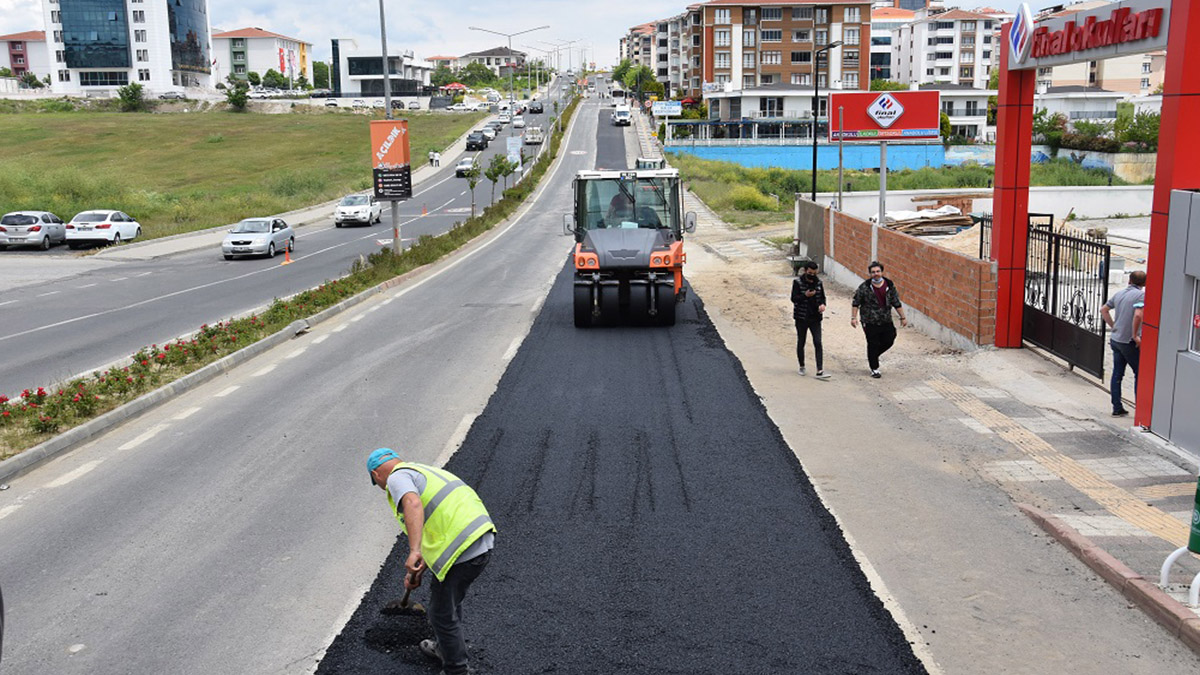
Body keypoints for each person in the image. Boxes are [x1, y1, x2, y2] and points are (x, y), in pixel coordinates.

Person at [368, 448, 496, 675]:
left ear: (377, 475)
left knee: (440, 612)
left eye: (376, 482)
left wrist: (414, 550)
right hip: (478, 539)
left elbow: (413, 504)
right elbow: (435, 528)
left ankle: (457, 670)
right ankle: (444, 648)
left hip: (462, 546)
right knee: (449, 602)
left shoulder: (397, 477)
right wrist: (417, 571)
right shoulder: (421, 471)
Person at [850, 261, 908, 378]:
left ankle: (873, 356)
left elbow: (896, 302)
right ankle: (874, 368)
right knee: (872, 343)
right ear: (870, 274)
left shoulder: (889, 286)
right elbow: (856, 302)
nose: (876, 274)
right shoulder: (864, 287)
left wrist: (903, 317)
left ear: (882, 272)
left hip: (886, 319)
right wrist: (853, 318)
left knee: (889, 339)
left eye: (878, 271)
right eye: (873, 272)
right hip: (869, 320)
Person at [1101, 270, 1146, 417]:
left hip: (1116, 339)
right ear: (1144, 283)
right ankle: (1141, 409)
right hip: (1129, 342)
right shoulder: (1141, 295)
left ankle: (1117, 407)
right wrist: (1134, 335)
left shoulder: (1119, 293)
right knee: (1140, 373)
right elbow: (1138, 314)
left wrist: (1113, 326)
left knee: (1117, 374)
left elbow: (1104, 310)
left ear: (1129, 280)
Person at [791, 261, 830, 380]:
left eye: (814, 273)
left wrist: (823, 305)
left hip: (815, 317)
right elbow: (794, 298)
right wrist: (805, 296)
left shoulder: (818, 283)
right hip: (802, 317)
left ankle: (820, 369)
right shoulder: (797, 282)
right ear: (805, 271)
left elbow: (822, 297)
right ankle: (802, 365)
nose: (812, 275)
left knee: (818, 342)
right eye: (810, 273)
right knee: (801, 341)